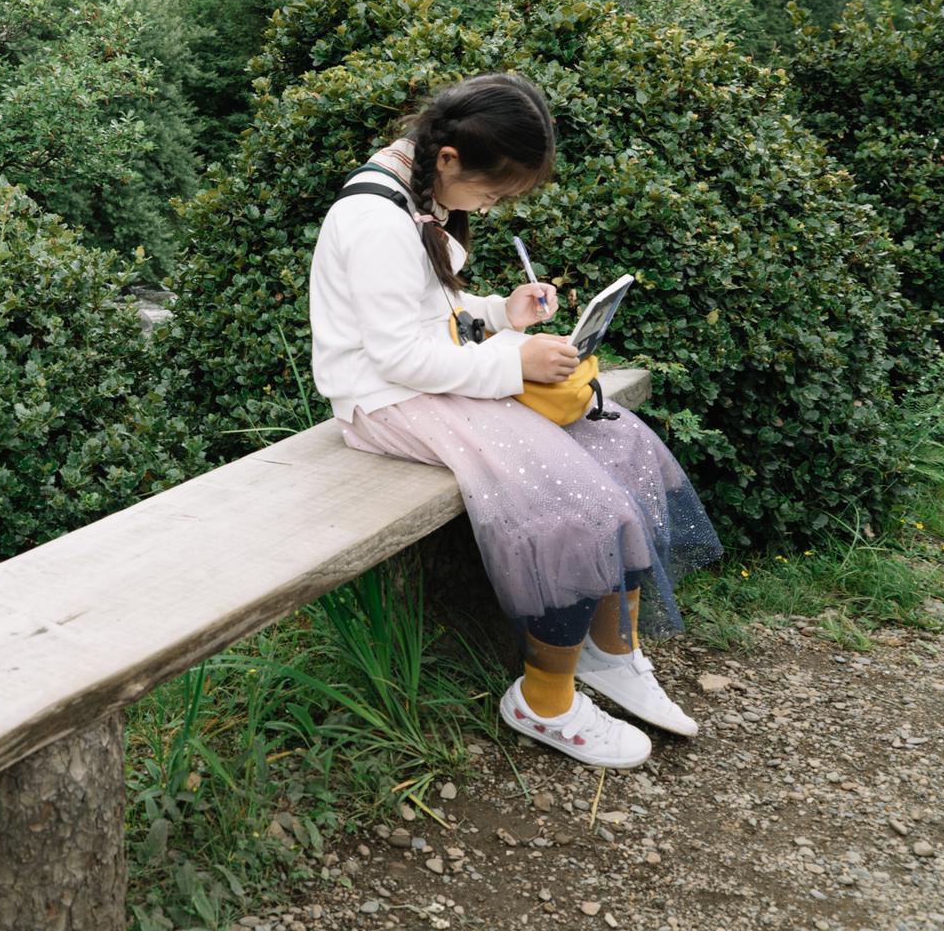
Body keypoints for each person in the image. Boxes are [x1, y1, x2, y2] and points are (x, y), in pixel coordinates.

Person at [307, 72, 723, 768]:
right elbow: (400, 355)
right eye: (494, 193)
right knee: (579, 502)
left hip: (434, 376)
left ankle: (610, 656)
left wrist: (504, 314)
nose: (494, 207)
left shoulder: (418, 180)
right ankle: (544, 698)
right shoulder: (376, 219)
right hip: (384, 400)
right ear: (449, 159)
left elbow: (428, 315)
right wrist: (518, 362)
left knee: (626, 450)